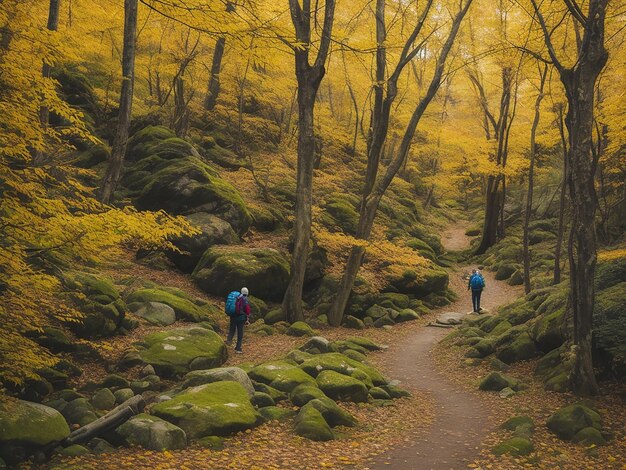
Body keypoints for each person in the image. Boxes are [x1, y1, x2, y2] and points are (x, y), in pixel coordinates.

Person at [226, 287, 251, 353]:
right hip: (241, 318)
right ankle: (238, 348)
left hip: (233, 316)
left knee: (232, 330)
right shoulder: (244, 299)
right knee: (240, 333)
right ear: (247, 293)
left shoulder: (237, 297)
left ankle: (228, 341)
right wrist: (247, 316)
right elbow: (247, 310)